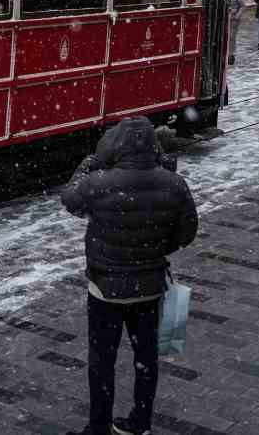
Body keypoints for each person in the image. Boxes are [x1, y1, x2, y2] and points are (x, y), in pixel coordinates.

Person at [61, 117, 198, 435]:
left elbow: (69, 200)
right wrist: (156, 247)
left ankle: (99, 427)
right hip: (149, 288)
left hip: (104, 289)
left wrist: (88, 164)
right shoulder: (174, 184)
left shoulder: (99, 182)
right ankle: (140, 422)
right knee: (146, 358)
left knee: (101, 362)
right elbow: (186, 233)